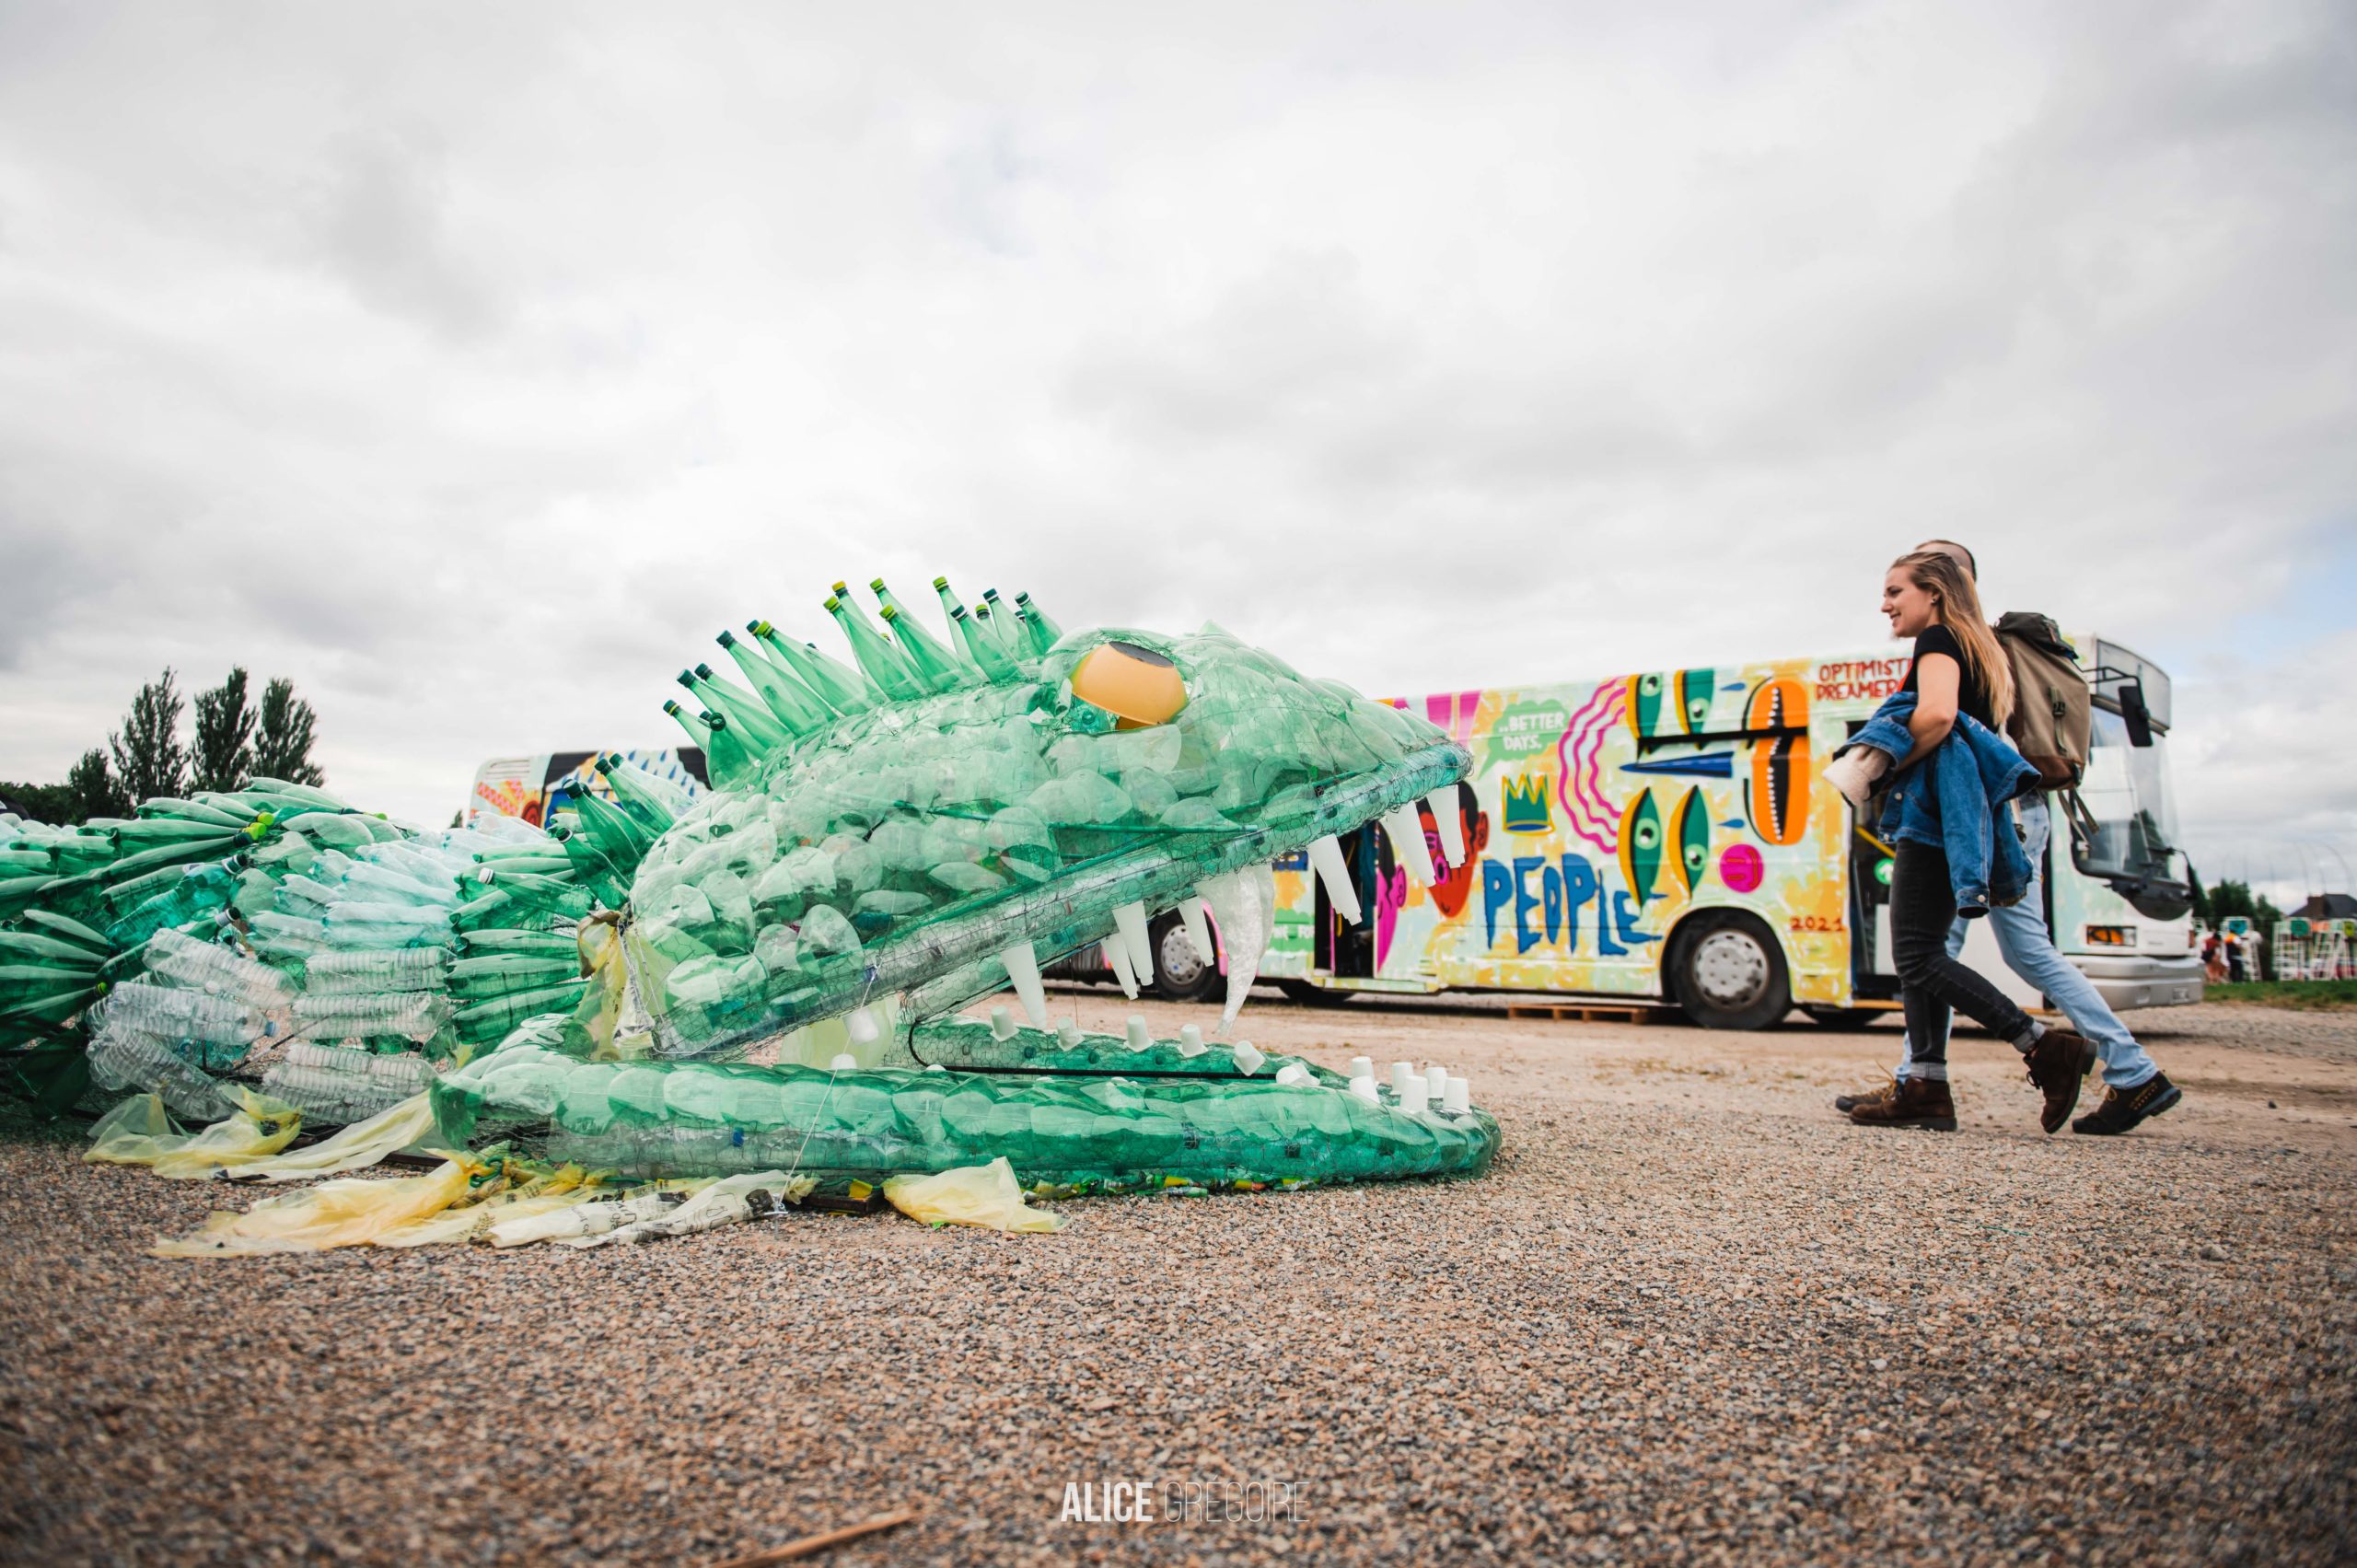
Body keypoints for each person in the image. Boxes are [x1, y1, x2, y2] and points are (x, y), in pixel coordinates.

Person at [1840, 540, 2182, 1136]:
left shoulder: (1945, 640)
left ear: (1943, 583)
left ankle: (2045, 1055)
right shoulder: (1987, 647)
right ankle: (1923, 1079)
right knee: (1977, 950)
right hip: (2006, 811)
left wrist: (1886, 760)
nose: (1885, 604)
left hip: (1973, 813)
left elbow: (1941, 717)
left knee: (1928, 952)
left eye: (1897, 589)